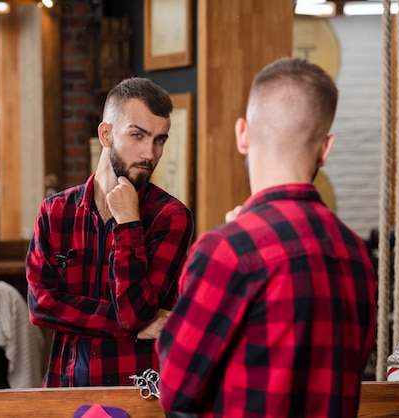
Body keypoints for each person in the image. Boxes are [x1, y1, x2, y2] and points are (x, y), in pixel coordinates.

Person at [157, 57, 377, 417]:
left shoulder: (225, 251)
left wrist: (218, 254)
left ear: (242, 133)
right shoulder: (356, 254)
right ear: (326, 148)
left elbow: (175, 388)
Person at [26, 77, 194, 387]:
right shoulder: (55, 211)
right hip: (65, 388)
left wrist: (129, 223)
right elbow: (40, 306)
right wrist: (127, 328)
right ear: (106, 134)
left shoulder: (170, 217)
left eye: (159, 139)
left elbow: (135, 312)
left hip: (137, 390)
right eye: (137, 135)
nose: (149, 153)